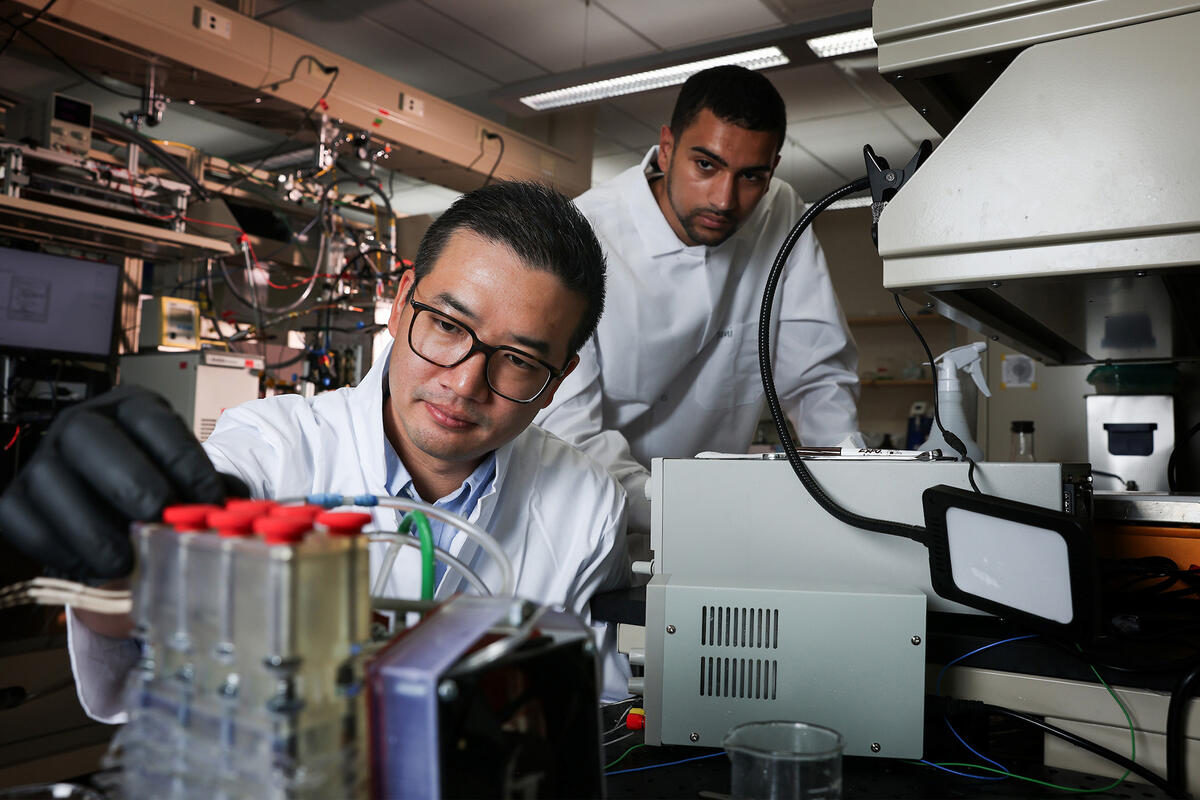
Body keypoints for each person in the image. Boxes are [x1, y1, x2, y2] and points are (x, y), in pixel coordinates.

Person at [0, 181, 631, 719]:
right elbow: (150, 619)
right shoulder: (273, 445)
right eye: (446, 325)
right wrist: (120, 562)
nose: (464, 383)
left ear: (558, 380)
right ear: (402, 303)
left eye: (518, 359)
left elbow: (591, 714)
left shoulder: (588, 504)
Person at [537, 66, 861, 530]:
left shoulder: (780, 210)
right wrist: (687, 514)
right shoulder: (580, 235)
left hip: (713, 517)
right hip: (595, 514)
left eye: (751, 176)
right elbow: (568, 432)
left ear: (773, 169)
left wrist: (852, 491)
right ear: (667, 148)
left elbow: (816, 379)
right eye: (706, 165)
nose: (725, 200)